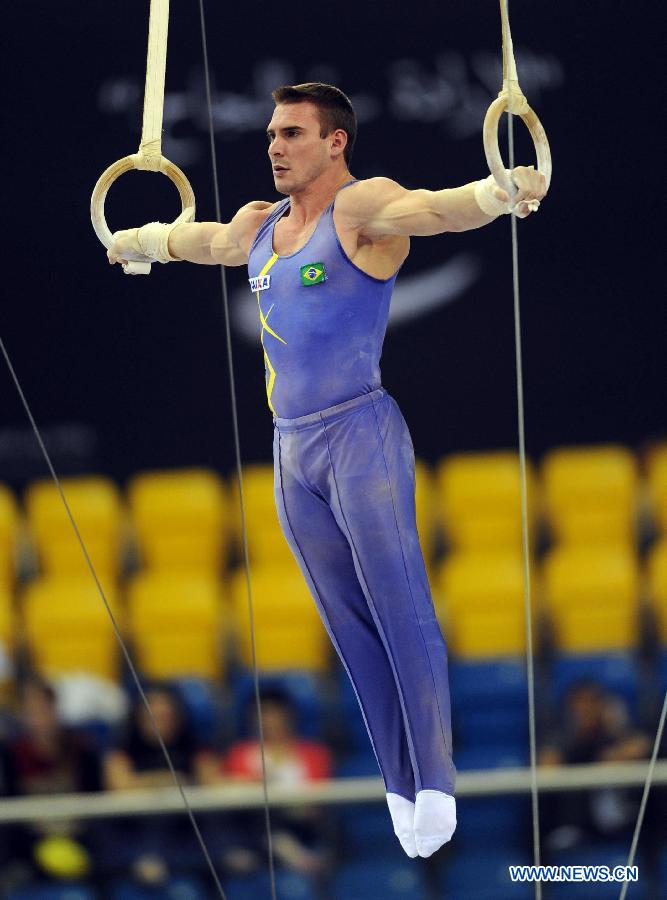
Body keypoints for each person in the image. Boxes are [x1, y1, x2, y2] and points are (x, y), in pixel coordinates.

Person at [108, 81, 547, 858]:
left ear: (334, 141)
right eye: (271, 134)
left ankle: (436, 778)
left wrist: (498, 189)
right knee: (344, 623)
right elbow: (194, 241)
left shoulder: (361, 207)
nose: (274, 146)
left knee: (395, 598)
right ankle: (395, 784)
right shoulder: (257, 226)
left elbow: (439, 209)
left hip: (358, 433)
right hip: (290, 451)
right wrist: (134, 240)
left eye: (291, 133)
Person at [102, 683, 219, 884]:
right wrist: (171, 780)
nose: (159, 722)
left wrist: (145, 783)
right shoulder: (123, 749)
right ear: (138, 718)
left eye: (165, 716)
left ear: (177, 717)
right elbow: (119, 786)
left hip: (183, 838)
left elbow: (211, 783)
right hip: (135, 837)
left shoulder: (194, 747)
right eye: (152, 716)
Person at [218, 686, 334, 878]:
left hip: (300, 823)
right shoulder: (239, 754)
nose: (269, 721)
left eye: (275, 713)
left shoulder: (314, 753)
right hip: (251, 826)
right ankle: (279, 846)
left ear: (289, 716)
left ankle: (282, 845)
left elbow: (316, 801)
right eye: (262, 714)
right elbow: (231, 794)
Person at [0, 675, 102, 890]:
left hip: (81, 844)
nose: (39, 718)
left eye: (43, 708)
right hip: (29, 851)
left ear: (55, 708)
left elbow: (97, 802)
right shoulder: (12, 755)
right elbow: (11, 811)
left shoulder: (81, 749)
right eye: (31, 711)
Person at [539, 680, 651, 851]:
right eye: (580, 703)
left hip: (619, 820)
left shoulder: (612, 733)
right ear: (570, 708)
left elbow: (642, 746)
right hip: (575, 823)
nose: (586, 709)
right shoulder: (562, 738)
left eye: (592, 702)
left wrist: (617, 731)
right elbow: (547, 769)